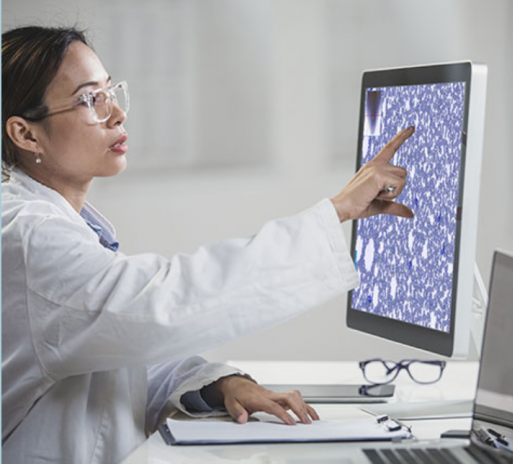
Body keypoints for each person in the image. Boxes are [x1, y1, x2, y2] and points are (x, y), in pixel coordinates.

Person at [1, 26, 414, 463]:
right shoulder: (29, 237)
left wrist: (220, 383)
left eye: (111, 92)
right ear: (26, 135)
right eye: (90, 100)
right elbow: (156, 309)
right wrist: (336, 212)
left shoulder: (61, 224)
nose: (118, 114)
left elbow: (117, 348)